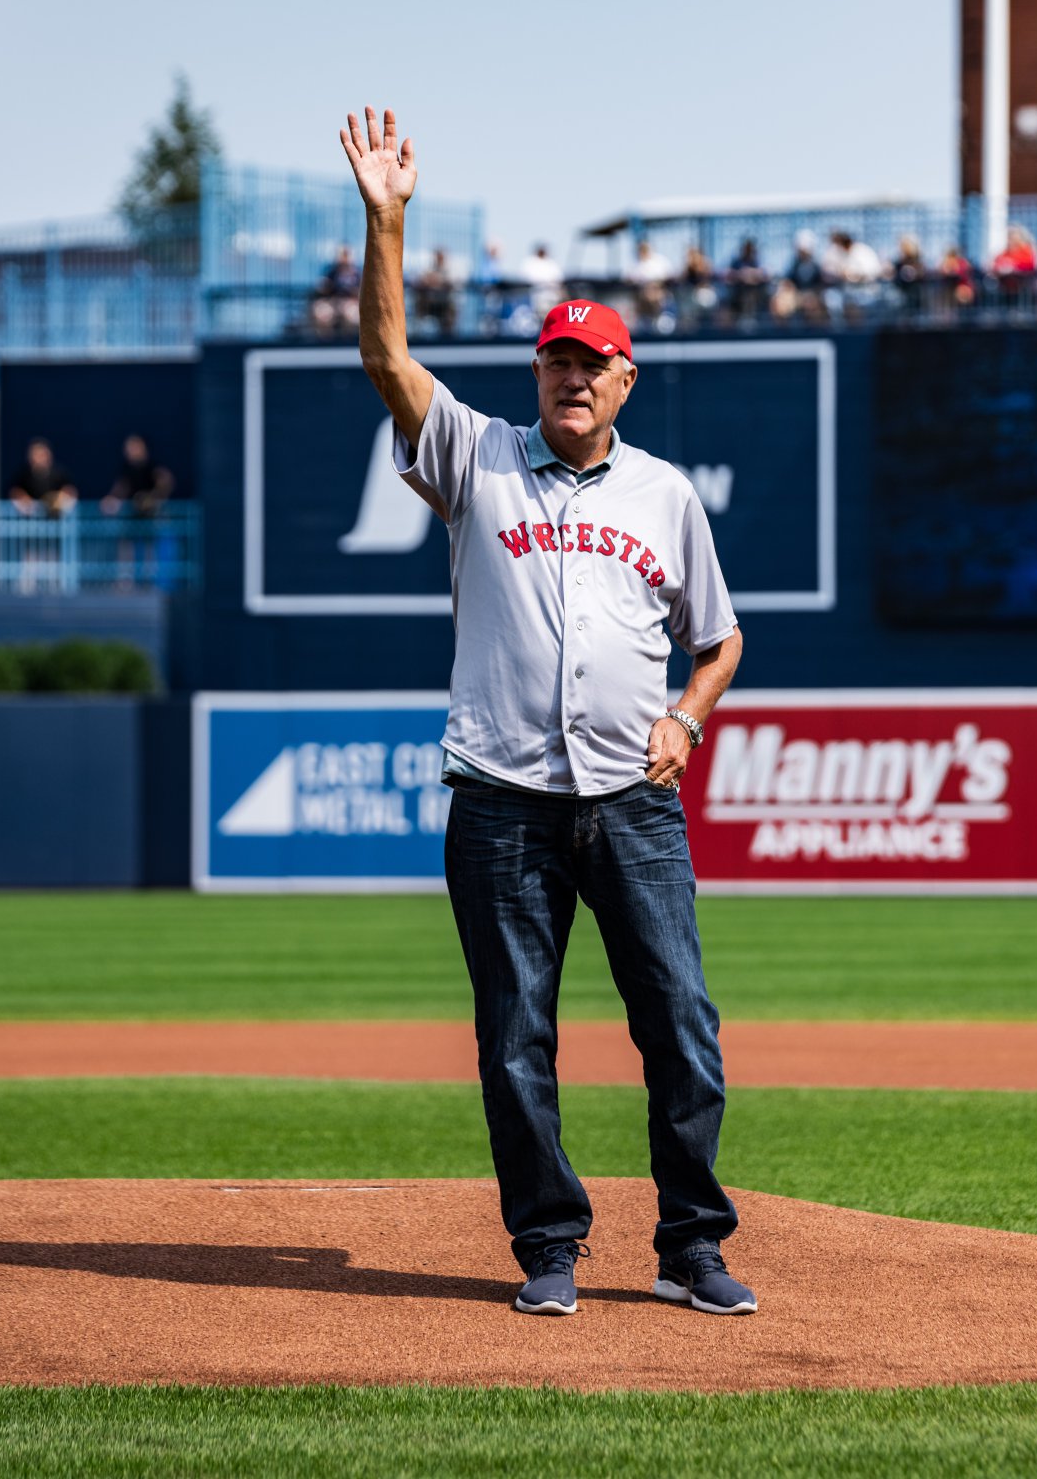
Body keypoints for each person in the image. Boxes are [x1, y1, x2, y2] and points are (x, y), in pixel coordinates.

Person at [339, 104, 753, 1320]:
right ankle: (549, 1245)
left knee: (679, 1022)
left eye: (591, 362)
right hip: (503, 801)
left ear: (625, 379)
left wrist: (687, 716)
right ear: (538, 376)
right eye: (555, 361)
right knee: (515, 1034)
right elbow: (386, 360)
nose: (571, 376)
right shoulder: (479, 459)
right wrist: (387, 221)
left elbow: (721, 639)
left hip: (632, 800)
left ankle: (691, 1247)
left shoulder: (664, 497)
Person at [99, 434, 177, 588]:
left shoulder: (152, 467)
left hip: (149, 518)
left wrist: (152, 498)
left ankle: (149, 581)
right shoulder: (126, 469)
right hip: (131, 518)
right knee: (126, 547)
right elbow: (120, 488)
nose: (131, 451)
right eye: (128, 448)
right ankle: (125, 582)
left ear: (143, 448)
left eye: (134, 447)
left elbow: (166, 482)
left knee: (149, 551)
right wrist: (111, 499)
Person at [8, 438, 75, 516]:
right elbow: (15, 491)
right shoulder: (23, 474)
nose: (38, 458)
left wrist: (61, 500)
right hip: (30, 518)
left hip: (56, 518)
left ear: (48, 455)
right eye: (35, 455)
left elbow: (70, 490)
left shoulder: (59, 473)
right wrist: (24, 501)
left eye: (41, 455)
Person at [310, 244, 362, 337]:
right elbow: (322, 287)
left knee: (351, 315)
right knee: (322, 312)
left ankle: (348, 341)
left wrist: (353, 292)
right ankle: (326, 341)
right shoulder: (331, 272)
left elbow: (361, 292)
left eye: (346, 255)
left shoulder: (356, 274)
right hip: (333, 302)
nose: (344, 258)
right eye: (342, 255)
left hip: (350, 303)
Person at [414, 248, 458, 337]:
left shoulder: (451, 269)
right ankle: (417, 333)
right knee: (419, 303)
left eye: (441, 257)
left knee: (451, 312)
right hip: (430, 303)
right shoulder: (430, 268)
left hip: (445, 303)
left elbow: (451, 283)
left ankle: (449, 336)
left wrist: (437, 282)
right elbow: (421, 280)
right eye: (438, 257)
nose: (439, 259)